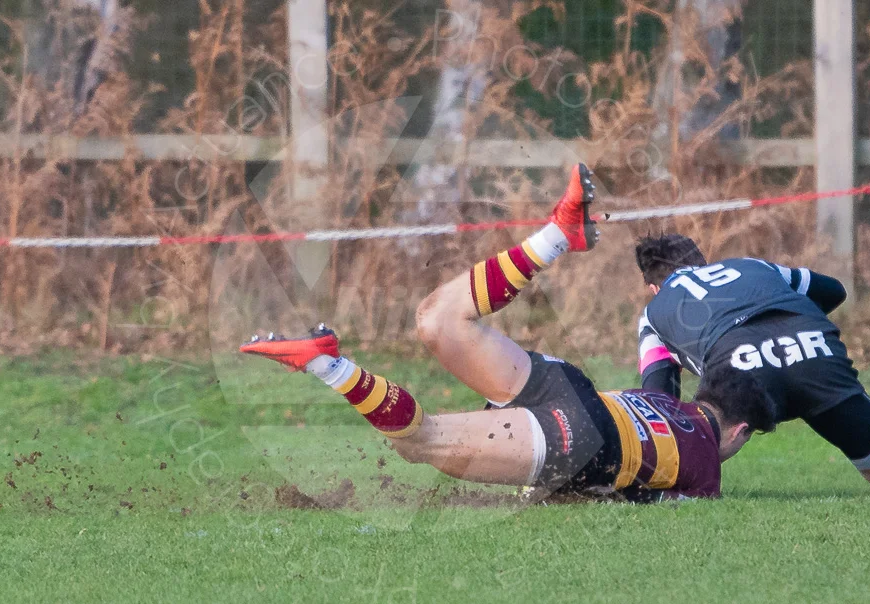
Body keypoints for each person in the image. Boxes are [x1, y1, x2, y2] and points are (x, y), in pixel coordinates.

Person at [240, 165, 778, 501]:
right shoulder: (707, 472)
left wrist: (678, 296)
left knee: (438, 320)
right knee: (422, 442)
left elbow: (655, 343)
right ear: (739, 432)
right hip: (583, 438)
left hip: (570, 386)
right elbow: (646, 497)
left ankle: (554, 238)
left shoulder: (664, 400)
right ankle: (324, 365)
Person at [632, 232, 870, 492]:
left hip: (739, 365)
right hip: (814, 347)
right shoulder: (752, 266)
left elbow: (658, 399)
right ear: (703, 261)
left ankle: (677, 486)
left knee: (699, 436)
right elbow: (833, 290)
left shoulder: (653, 314)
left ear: (652, 287)